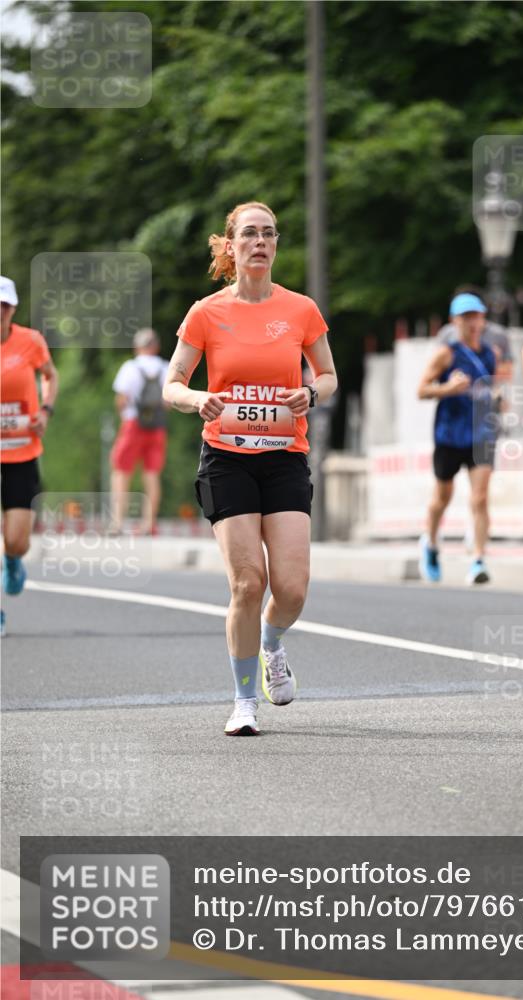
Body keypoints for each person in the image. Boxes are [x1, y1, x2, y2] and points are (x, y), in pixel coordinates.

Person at [163, 201, 337, 736]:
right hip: (227, 459)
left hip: (284, 456)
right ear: (231, 245)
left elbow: (328, 375)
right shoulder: (206, 312)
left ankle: (272, 642)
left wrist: (310, 393)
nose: (259, 242)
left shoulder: (302, 310)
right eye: (249, 234)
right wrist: (199, 401)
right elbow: (171, 384)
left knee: (291, 590)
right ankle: (243, 702)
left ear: (276, 245)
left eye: (268, 234)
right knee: (247, 582)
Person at [417, 292, 497, 585]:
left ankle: (478, 560)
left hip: (481, 434)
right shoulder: (446, 353)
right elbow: (421, 390)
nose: (473, 323)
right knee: (442, 497)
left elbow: (489, 389)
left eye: (477, 316)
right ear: (455, 321)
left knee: (480, 497)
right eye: (466, 318)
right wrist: (448, 388)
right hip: (449, 434)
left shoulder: (490, 354)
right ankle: (431, 543)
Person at [1, 276, 59, 637]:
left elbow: (50, 376)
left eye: (3, 306)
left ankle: (12, 559)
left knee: (17, 539)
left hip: (22, 452)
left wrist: (46, 410)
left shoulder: (30, 342)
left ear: (13, 308)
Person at [110, 328, 169, 535]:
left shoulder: (130, 367)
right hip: (157, 427)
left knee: (121, 472)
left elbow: (121, 398)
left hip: (132, 424)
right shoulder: (165, 368)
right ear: (156, 346)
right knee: (152, 474)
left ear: (137, 347)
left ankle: (117, 522)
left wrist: (124, 416)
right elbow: (169, 401)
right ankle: (149, 523)